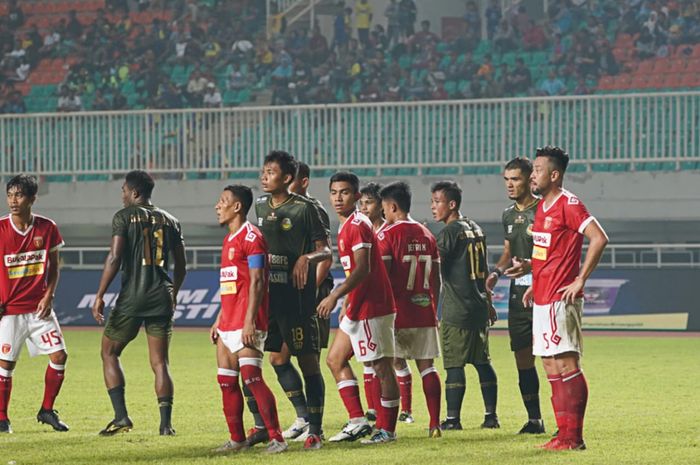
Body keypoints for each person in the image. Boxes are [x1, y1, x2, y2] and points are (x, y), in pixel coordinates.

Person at [509, 146, 608, 450]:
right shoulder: (542, 208)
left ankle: (574, 437)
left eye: (537, 170)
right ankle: (562, 433)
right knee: (551, 365)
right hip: (542, 295)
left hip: (560, 299)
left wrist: (580, 279)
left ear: (554, 175)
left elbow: (599, 238)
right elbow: (545, 252)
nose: (532, 175)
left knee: (567, 364)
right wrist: (533, 277)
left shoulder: (569, 204)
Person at [92, 170, 187, 436]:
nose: (122, 194)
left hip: (134, 296)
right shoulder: (171, 220)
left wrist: (100, 294)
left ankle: (121, 417)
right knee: (160, 363)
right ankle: (166, 425)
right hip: (161, 296)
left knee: (109, 351)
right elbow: (181, 265)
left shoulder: (123, 217)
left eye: (123, 190)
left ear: (134, 192)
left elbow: (114, 258)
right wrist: (174, 292)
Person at [252, 151, 331, 450]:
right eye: (263, 170)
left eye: (271, 171)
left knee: (309, 363)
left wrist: (306, 259)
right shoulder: (259, 206)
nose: (264, 176)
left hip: (297, 299)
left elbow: (326, 251)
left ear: (287, 178)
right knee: (272, 359)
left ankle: (316, 430)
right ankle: (297, 419)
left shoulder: (306, 209)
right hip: (270, 298)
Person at [318, 171, 400, 445]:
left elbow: (363, 269)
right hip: (358, 304)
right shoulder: (346, 225)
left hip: (373, 306)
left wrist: (336, 295)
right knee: (335, 359)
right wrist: (348, 303)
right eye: (334, 192)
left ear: (355, 196)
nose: (338, 197)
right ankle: (357, 421)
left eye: (344, 192)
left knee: (381, 366)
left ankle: (387, 429)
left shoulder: (357, 225)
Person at [210, 185, 287, 454]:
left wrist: (249, 322)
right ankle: (237, 439)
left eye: (223, 201)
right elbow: (231, 284)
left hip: (247, 322)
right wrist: (219, 317)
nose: (218, 206)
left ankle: (278, 438)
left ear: (237, 207)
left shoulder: (252, 237)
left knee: (252, 378)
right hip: (228, 322)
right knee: (226, 381)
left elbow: (257, 281)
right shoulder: (229, 239)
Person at [0, 175, 69, 434]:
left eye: (19, 195)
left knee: (60, 356)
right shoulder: (1, 229)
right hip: (9, 311)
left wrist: (49, 295)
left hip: (39, 309)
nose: (13, 200)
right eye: (10, 195)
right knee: (5, 365)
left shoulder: (47, 227)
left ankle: (46, 410)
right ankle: (2, 419)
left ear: (32, 199)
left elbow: (54, 267)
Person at [430, 181, 499, 431]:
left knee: (454, 365)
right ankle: (491, 416)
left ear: (452, 204)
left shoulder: (450, 232)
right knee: (482, 362)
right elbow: (484, 269)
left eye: (437, 201)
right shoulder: (475, 228)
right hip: (479, 305)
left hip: (457, 308)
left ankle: (452, 420)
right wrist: (489, 302)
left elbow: (433, 263)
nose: (433, 206)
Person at [485, 158, 545, 434]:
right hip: (518, 293)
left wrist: (532, 266)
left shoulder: (544, 210)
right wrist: (496, 273)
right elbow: (508, 253)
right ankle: (535, 420)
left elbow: (556, 251)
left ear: (529, 179)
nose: (510, 184)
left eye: (516, 179)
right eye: (507, 179)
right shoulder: (508, 214)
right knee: (522, 358)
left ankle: (566, 423)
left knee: (552, 358)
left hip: (545, 290)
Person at [377, 182, 442, 437]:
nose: (384, 214)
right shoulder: (428, 234)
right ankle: (434, 424)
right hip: (424, 310)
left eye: (385, 209)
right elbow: (436, 277)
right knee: (427, 367)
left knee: (384, 367)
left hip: (396, 313)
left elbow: (383, 277)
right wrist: (434, 307)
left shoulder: (388, 235)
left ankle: (384, 424)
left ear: (392, 206)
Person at [289, 162, 333, 353]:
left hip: (312, 286)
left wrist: (310, 290)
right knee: (282, 353)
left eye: (290, 180)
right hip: (293, 287)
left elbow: (326, 256)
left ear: (304, 182)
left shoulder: (313, 209)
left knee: (310, 351)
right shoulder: (287, 208)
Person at [357, 182, 384, 421]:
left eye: (369, 202)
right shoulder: (362, 231)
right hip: (365, 304)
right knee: (368, 360)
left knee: (391, 362)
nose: (364, 207)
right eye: (362, 203)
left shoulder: (387, 232)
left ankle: (403, 411)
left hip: (384, 306)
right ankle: (373, 409)